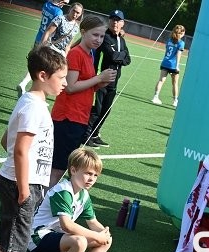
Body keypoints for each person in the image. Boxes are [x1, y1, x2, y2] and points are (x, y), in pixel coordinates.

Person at [0, 46, 68, 252]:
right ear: (42, 75)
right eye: (60, 78)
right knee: (13, 248)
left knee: (6, 245)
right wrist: (25, 187)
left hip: (20, 182)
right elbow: (20, 150)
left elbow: (6, 139)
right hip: (20, 185)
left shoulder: (31, 103)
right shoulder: (33, 107)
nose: (64, 83)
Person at [30, 147, 112, 252]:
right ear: (73, 170)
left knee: (106, 240)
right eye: (88, 173)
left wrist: (103, 233)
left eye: (95, 175)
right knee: (79, 241)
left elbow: (92, 222)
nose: (92, 179)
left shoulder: (83, 194)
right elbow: (66, 225)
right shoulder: (63, 191)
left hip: (58, 238)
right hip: (37, 238)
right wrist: (96, 236)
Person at [50, 15, 116, 187]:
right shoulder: (76, 53)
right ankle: (41, 206)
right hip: (67, 118)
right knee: (57, 168)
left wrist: (100, 83)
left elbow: (84, 87)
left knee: (64, 167)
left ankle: (46, 204)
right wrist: (98, 78)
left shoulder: (89, 55)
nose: (99, 39)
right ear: (83, 32)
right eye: (95, 35)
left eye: (102, 36)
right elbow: (70, 87)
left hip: (78, 118)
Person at [86, 10, 131, 148]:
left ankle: (95, 133)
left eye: (118, 20)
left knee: (106, 109)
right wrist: (120, 55)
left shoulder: (121, 40)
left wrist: (120, 55)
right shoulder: (105, 37)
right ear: (109, 21)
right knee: (97, 109)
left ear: (122, 23)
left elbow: (128, 59)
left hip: (114, 80)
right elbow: (111, 56)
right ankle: (87, 135)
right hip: (102, 78)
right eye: (113, 19)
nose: (115, 22)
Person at [16, 0, 68, 96]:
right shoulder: (58, 12)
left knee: (36, 65)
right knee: (46, 68)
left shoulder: (47, 4)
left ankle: (24, 84)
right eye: (64, 3)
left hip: (39, 37)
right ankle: (29, 86)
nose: (64, 5)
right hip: (48, 42)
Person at [151, 24, 186, 108]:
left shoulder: (169, 40)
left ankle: (155, 97)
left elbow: (167, 51)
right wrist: (177, 66)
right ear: (181, 33)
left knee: (161, 80)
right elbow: (178, 54)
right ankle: (175, 101)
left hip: (165, 62)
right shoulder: (181, 43)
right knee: (175, 83)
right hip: (173, 65)